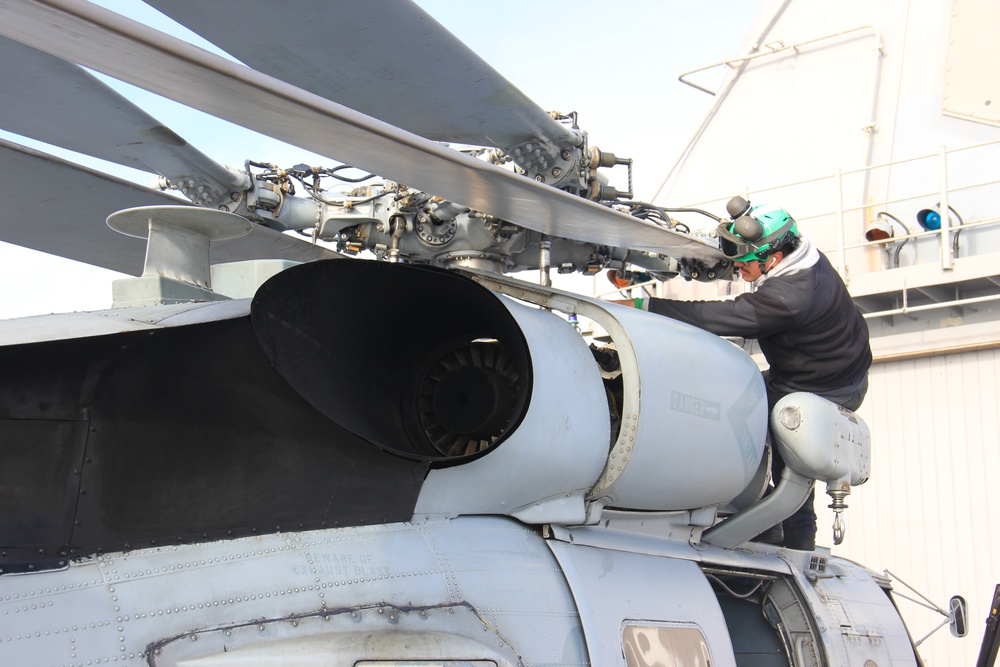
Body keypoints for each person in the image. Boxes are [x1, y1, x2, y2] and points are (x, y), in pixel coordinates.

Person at [614, 198, 872, 550]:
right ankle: (763, 516)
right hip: (824, 371)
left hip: (821, 390)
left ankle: (794, 545)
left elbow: (718, 318)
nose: (737, 267)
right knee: (736, 410)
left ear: (773, 259)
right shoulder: (803, 252)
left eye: (745, 261)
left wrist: (646, 307)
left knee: (790, 475)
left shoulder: (789, 297)